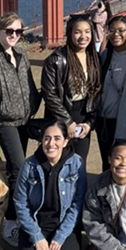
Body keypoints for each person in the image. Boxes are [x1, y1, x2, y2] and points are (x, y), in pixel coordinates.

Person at [0, 12, 41, 248]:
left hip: (24, 120)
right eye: (9, 31)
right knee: (19, 166)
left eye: (18, 31)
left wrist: (33, 104)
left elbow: (30, 86)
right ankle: (12, 222)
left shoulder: (22, 55)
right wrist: (4, 107)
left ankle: (15, 215)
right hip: (5, 122)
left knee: (17, 169)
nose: (14, 35)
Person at [13, 120, 86, 250]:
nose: (51, 144)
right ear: (41, 141)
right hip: (35, 227)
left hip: (64, 228)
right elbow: (20, 203)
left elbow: (78, 204)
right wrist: (37, 237)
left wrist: (60, 236)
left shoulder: (76, 163)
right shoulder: (29, 165)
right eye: (46, 138)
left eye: (56, 138)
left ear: (65, 141)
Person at [41, 14, 102, 173]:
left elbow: (96, 92)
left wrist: (89, 123)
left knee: (79, 164)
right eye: (78, 32)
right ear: (69, 33)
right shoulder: (56, 59)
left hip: (83, 116)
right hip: (60, 116)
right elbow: (50, 94)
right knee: (56, 163)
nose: (83, 36)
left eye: (87, 31)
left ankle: (77, 197)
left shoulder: (94, 58)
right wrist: (67, 122)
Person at [97, 16, 126, 168]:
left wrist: (120, 137)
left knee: (120, 167)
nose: (116, 34)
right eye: (112, 30)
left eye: (121, 30)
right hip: (104, 121)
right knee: (106, 165)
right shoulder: (106, 55)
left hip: (123, 123)